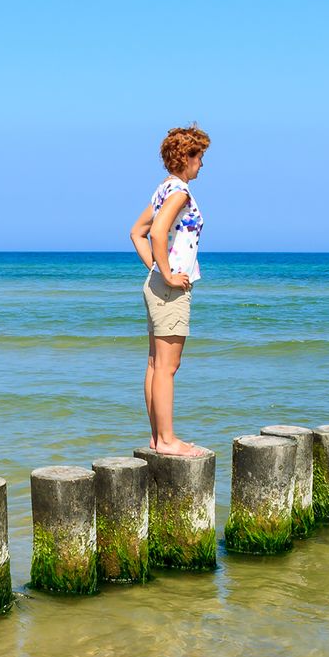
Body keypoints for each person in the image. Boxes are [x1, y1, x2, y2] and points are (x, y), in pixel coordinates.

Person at [128, 124, 209, 455]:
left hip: (156, 286)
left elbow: (137, 232)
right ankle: (166, 440)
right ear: (186, 157)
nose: (202, 164)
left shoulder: (162, 190)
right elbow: (157, 233)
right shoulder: (179, 193)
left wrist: (154, 269)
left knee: (155, 364)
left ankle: (157, 437)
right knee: (167, 366)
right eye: (200, 157)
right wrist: (169, 274)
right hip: (169, 289)